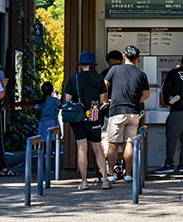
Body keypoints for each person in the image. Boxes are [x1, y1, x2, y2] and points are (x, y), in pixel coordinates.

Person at [63, 51, 112, 190]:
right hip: (94, 115)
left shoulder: (74, 78)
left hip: (78, 118)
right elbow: (103, 99)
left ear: (81, 65)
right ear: (92, 65)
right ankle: (105, 180)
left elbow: (67, 99)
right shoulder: (98, 78)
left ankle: (84, 181)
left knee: (82, 148)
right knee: (98, 148)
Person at [102, 45, 149, 183]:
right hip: (133, 113)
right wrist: (137, 100)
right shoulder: (141, 74)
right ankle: (128, 174)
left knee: (113, 144)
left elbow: (105, 84)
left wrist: (106, 101)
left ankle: (111, 174)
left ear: (124, 56)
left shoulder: (114, 69)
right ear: (137, 59)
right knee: (130, 144)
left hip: (116, 111)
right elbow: (146, 94)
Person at [101, 50, 125, 178]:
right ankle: (123, 166)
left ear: (110, 60)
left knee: (110, 141)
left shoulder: (106, 73)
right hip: (128, 111)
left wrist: (105, 102)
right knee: (126, 141)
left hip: (110, 111)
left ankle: (111, 170)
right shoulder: (128, 72)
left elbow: (102, 90)